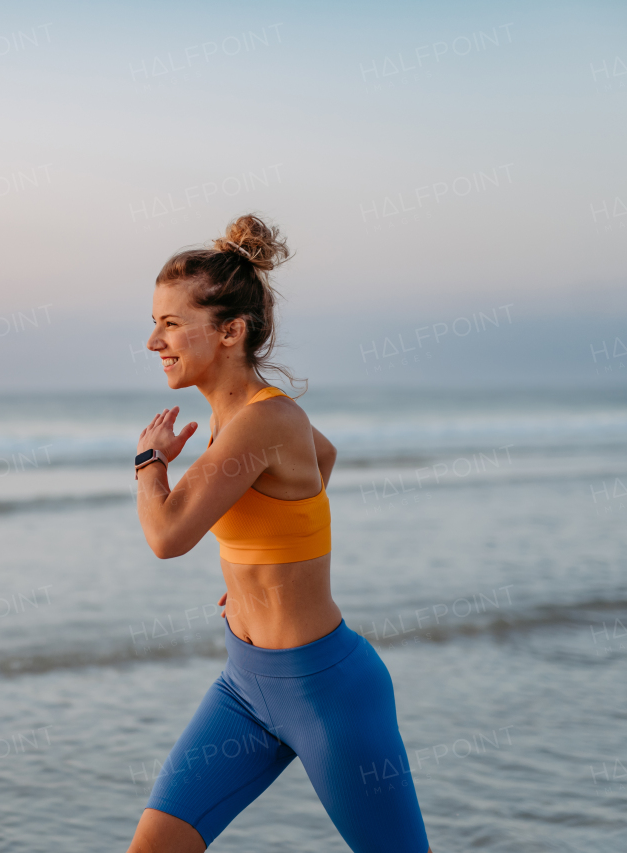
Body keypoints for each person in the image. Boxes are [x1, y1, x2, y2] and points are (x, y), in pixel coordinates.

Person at [128, 214, 431, 852]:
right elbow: (322, 459)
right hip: (244, 687)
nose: (154, 340)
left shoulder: (262, 423)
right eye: (154, 321)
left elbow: (168, 536)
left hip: (327, 694)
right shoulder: (248, 419)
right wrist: (256, 571)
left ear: (231, 331)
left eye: (171, 323)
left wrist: (150, 461)